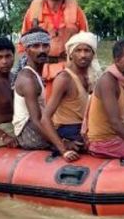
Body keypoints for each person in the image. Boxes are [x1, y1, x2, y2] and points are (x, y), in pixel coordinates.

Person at [19, 0, 89, 99]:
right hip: (41, 68)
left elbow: (87, 42)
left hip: (70, 68)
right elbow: (23, 45)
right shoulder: (33, 11)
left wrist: (86, 74)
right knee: (43, 110)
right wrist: (29, 73)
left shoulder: (76, 10)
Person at [13, 28, 79, 161]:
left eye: (45, 45)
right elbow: (36, 120)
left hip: (35, 126)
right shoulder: (28, 80)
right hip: (28, 133)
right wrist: (63, 147)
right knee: (75, 138)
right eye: (36, 46)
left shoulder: (35, 74)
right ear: (26, 50)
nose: (42, 50)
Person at [41, 31, 102, 148]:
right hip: (68, 130)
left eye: (87, 50)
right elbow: (45, 118)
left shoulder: (93, 77)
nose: (83, 55)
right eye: (78, 51)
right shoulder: (64, 78)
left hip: (85, 126)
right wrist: (63, 147)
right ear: (70, 55)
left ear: (93, 54)